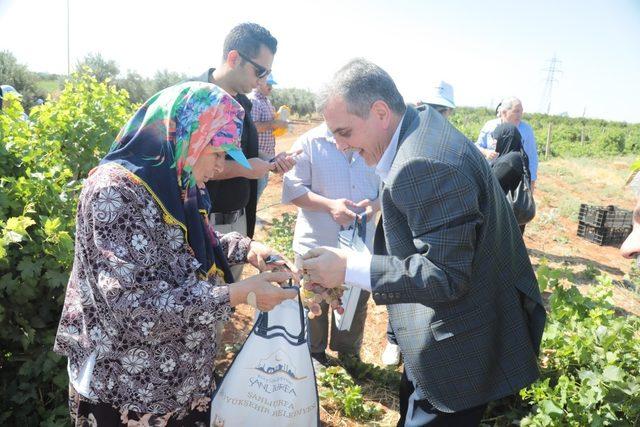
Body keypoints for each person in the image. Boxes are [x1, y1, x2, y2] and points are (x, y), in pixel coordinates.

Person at [301, 59, 546, 426]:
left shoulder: (424, 161)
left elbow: (445, 275)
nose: (340, 146)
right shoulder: (416, 132)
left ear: (380, 112)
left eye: (345, 132)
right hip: (442, 331)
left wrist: (348, 268)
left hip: (457, 347)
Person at [53, 82, 297, 425]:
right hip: (127, 388)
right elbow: (133, 308)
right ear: (187, 139)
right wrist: (238, 293)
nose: (217, 169)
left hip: (181, 382)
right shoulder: (115, 192)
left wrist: (250, 249)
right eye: (216, 154)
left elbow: (193, 248)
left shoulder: (179, 185)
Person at [195, 23, 296, 281]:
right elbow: (186, 167)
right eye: (259, 71)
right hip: (204, 225)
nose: (262, 80)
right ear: (233, 58)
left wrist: (269, 162)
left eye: (267, 74)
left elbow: (242, 155)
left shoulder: (243, 103)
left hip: (238, 223)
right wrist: (245, 169)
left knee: (225, 307)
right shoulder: (193, 99)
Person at [282, 122, 379, 366]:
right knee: (313, 300)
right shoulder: (310, 142)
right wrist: (330, 206)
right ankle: (313, 355)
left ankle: (348, 354)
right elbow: (293, 190)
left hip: (360, 244)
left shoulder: (375, 139)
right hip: (317, 240)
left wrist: (374, 206)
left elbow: (388, 187)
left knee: (355, 301)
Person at [383, 80, 457, 367]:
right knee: (399, 275)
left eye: (442, 109)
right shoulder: (399, 141)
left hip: (431, 229)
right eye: (430, 107)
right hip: (401, 223)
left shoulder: (447, 143)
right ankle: (394, 339)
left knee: (422, 280)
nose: (436, 113)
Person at [476, 97, 538, 190]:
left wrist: (531, 182)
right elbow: (476, 146)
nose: (520, 115)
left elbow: (532, 156)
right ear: (504, 112)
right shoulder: (490, 126)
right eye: (516, 111)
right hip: (490, 176)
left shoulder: (526, 130)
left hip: (515, 180)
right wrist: (486, 152)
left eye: (521, 111)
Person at [249, 73, 289, 202]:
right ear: (259, 82)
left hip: (266, 154)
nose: (271, 87)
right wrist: (273, 124)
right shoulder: (254, 101)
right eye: (268, 84)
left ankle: (252, 215)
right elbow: (253, 127)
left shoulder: (266, 101)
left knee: (260, 187)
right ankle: (250, 217)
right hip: (257, 154)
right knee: (255, 189)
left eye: (272, 85)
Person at [489, 123, 529, 194]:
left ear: (504, 139)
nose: (493, 143)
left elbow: (488, 184)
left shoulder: (508, 162)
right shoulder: (517, 155)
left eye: (495, 139)